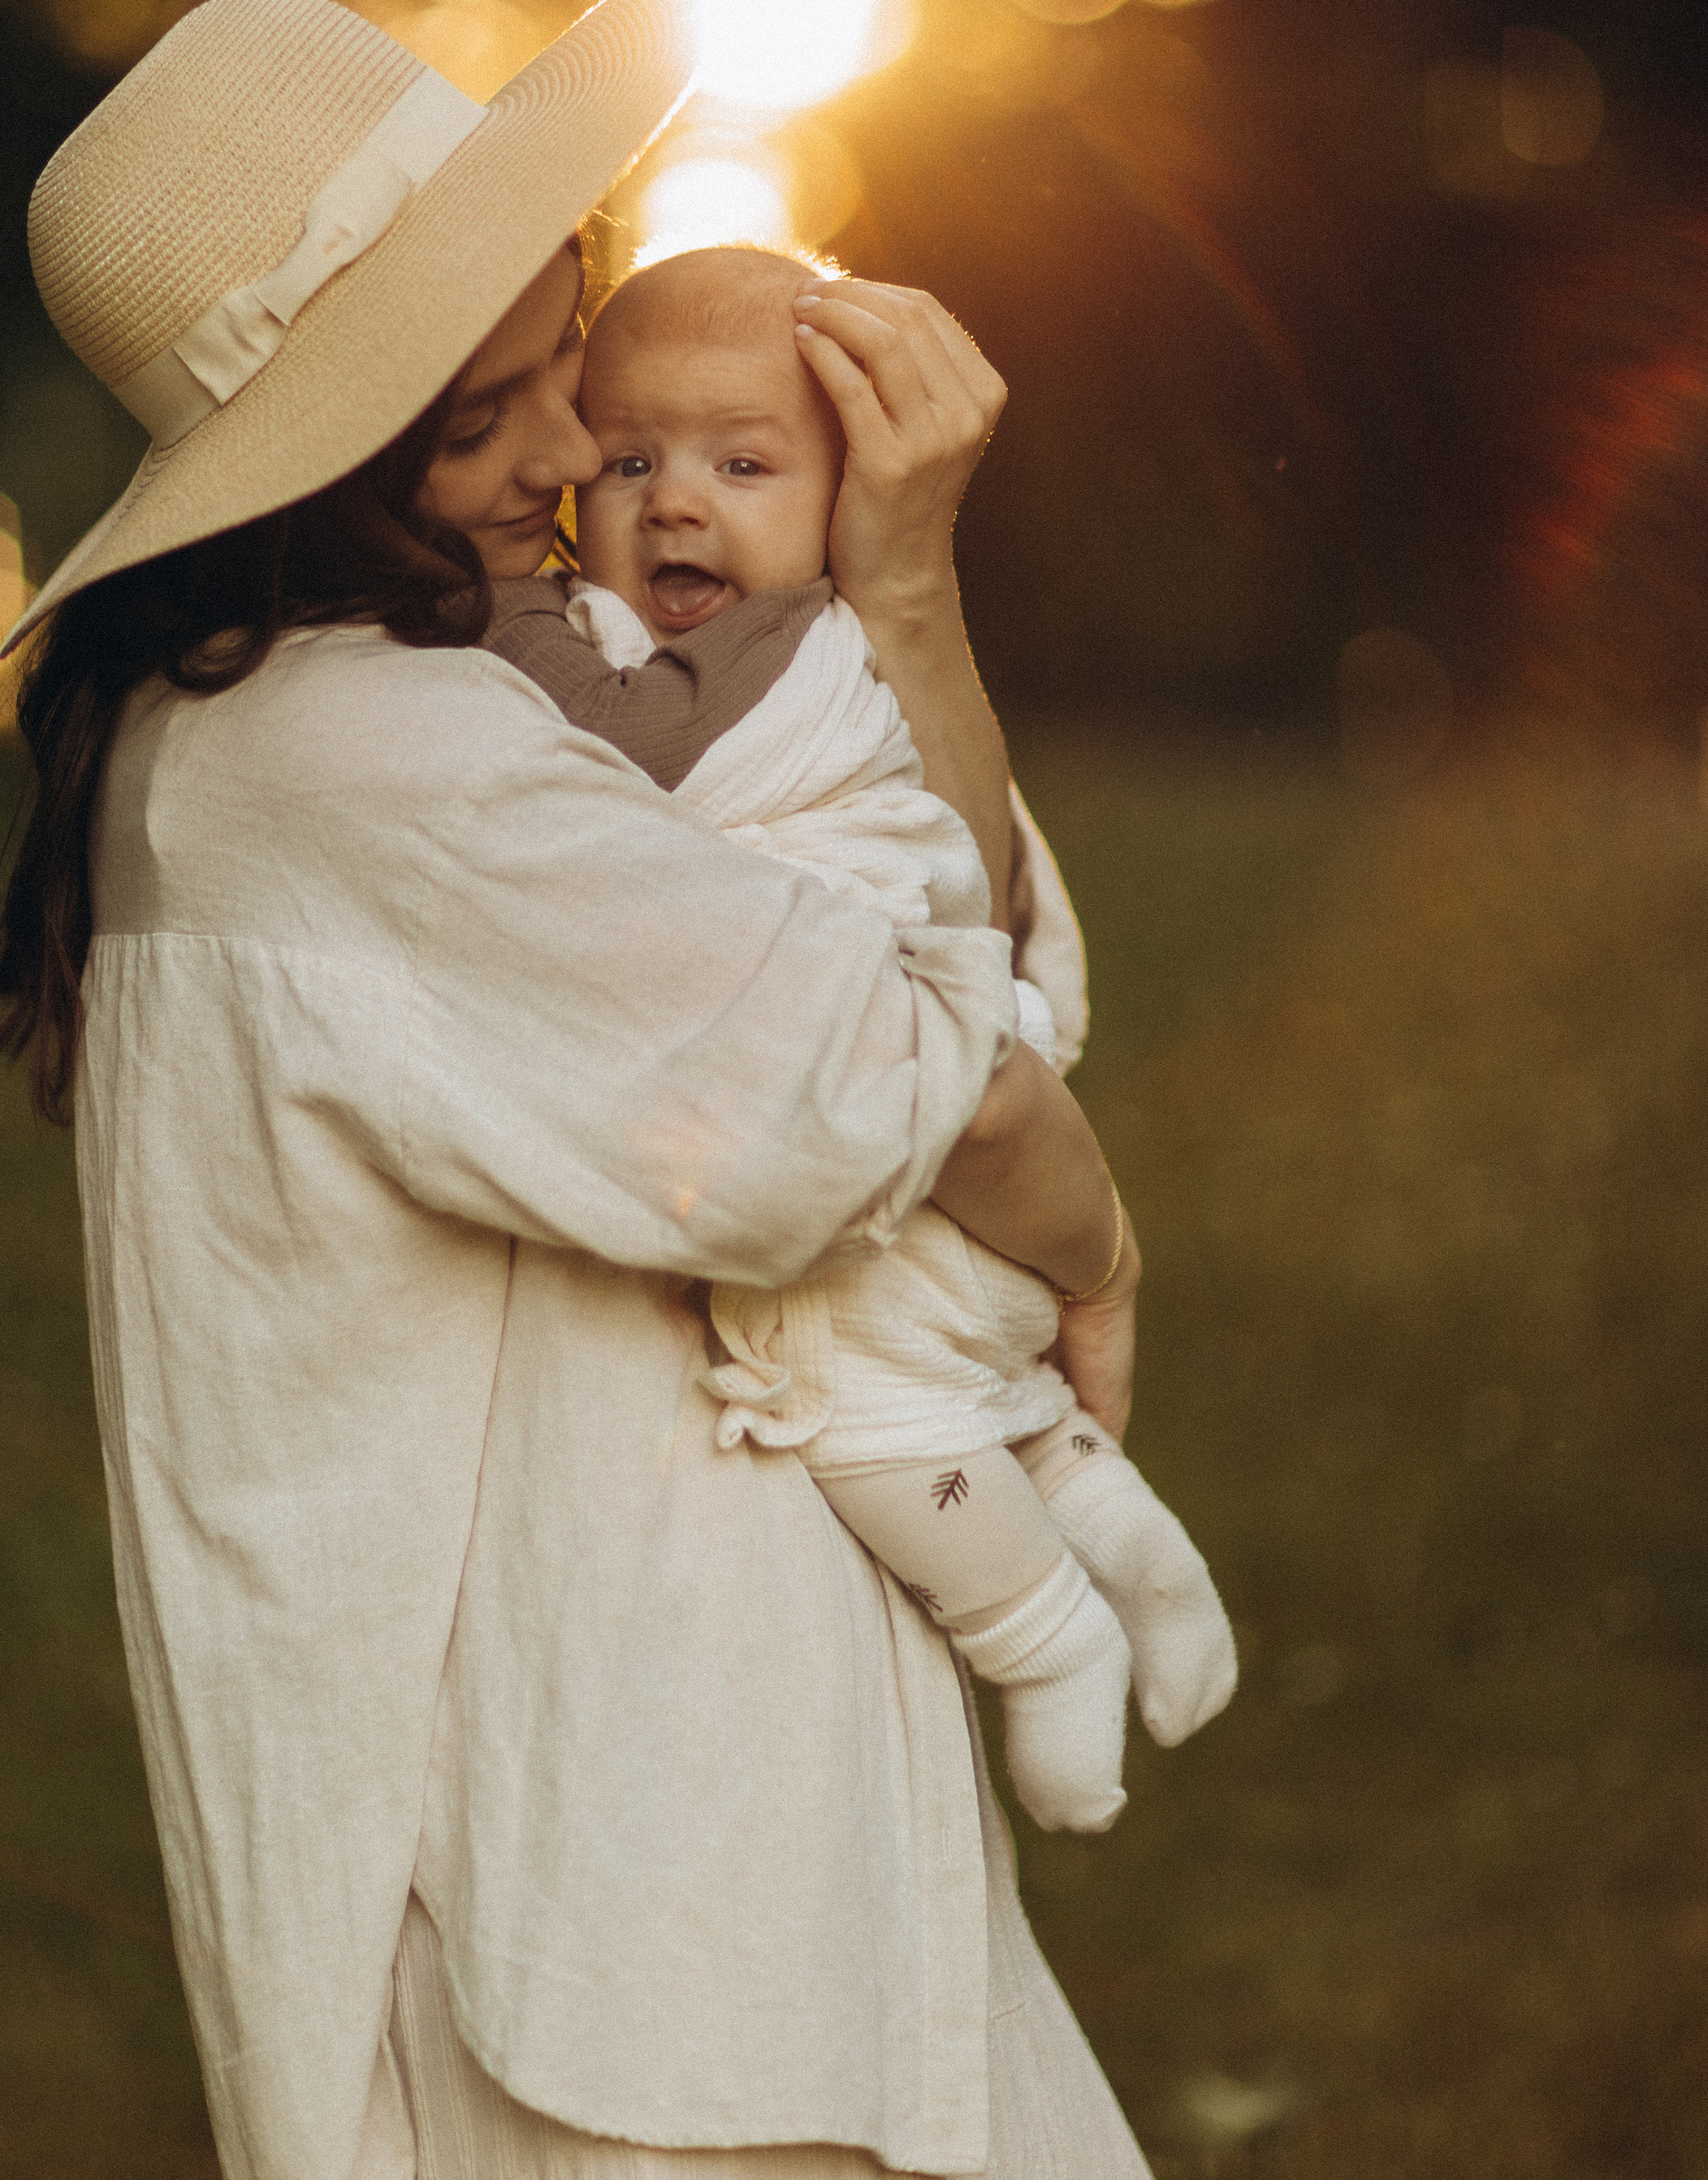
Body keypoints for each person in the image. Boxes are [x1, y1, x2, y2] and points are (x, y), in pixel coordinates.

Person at [0, 0, 1157, 2180]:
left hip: (641, 1803)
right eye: (471, 414)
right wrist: (1096, 1255)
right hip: (620, 1883)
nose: (562, 453)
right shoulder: (377, 762)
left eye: (558, 348)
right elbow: (931, 1064)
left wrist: (895, 604)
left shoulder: (334, 706)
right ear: (315, 457)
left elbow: (943, 944)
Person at [482, 243, 1236, 1841]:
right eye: (629, 462)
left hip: (895, 1152)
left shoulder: (765, 663)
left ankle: (1045, 1636)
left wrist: (496, 612)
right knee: (1010, 1411)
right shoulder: (742, 643)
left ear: (847, 493)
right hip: (947, 1144)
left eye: (742, 465)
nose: (674, 506)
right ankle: (1131, 1548)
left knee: (887, 1426)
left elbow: (644, 758)